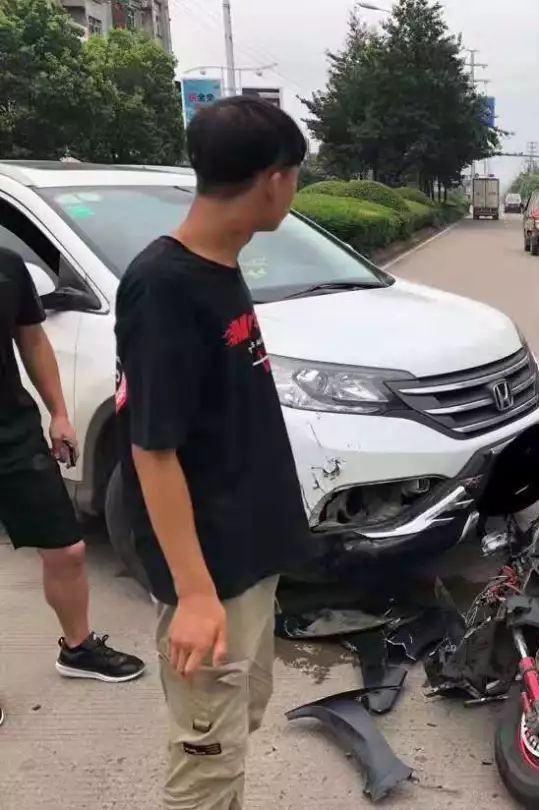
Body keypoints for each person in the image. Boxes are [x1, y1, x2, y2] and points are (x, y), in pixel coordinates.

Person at [114, 96, 310, 807]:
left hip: (248, 557)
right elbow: (152, 449)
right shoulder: (164, 287)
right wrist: (195, 595)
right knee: (207, 762)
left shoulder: (217, 267)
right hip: (214, 573)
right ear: (273, 180)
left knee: (233, 728)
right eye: (295, 175)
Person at [0, 248, 145, 727]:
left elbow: (32, 340)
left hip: (12, 432)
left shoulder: (6, 264)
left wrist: (59, 412)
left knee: (67, 550)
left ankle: (78, 649)